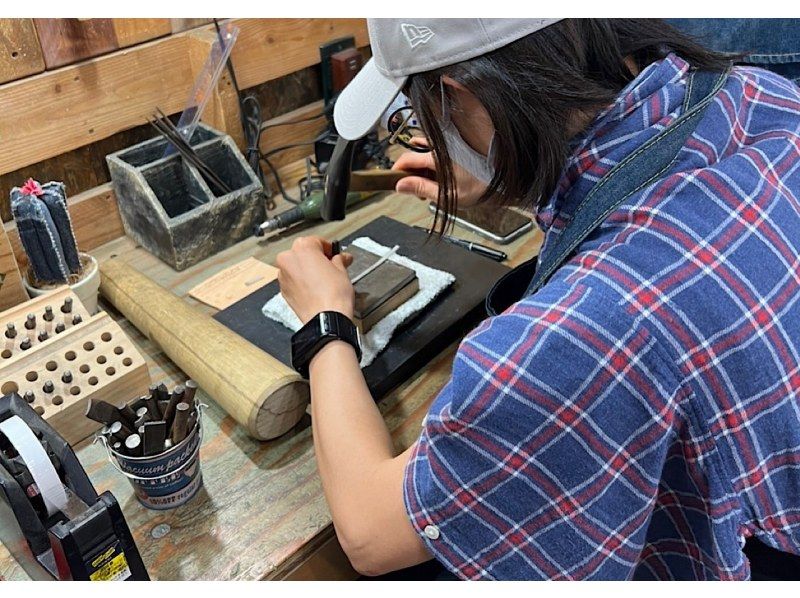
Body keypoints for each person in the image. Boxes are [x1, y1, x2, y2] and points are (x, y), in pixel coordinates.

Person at [274, 19, 800, 580]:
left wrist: (324, 320)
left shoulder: (591, 325)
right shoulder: (761, 93)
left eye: (418, 113)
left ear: (462, 94)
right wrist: (521, 171)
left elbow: (369, 532)